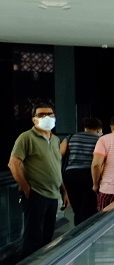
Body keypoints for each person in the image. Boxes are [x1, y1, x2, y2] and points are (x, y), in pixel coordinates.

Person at [9, 104, 66, 255]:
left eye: (50, 114)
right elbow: (13, 164)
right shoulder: (26, 137)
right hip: (36, 194)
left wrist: (63, 191)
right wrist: (27, 189)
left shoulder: (55, 140)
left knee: (47, 237)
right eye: (41, 115)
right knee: (32, 237)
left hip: (53, 195)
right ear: (34, 119)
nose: (47, 117)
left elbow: (56, 167)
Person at [60, 117, 103, 223]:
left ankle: (78, 228)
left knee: (77, 208)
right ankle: (87, 230)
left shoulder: (70, 137)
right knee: (89, 208)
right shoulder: (99, 140)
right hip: (89, 175)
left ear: (85, 127)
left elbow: (59, 154)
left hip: (71, 175)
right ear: (98, 129)